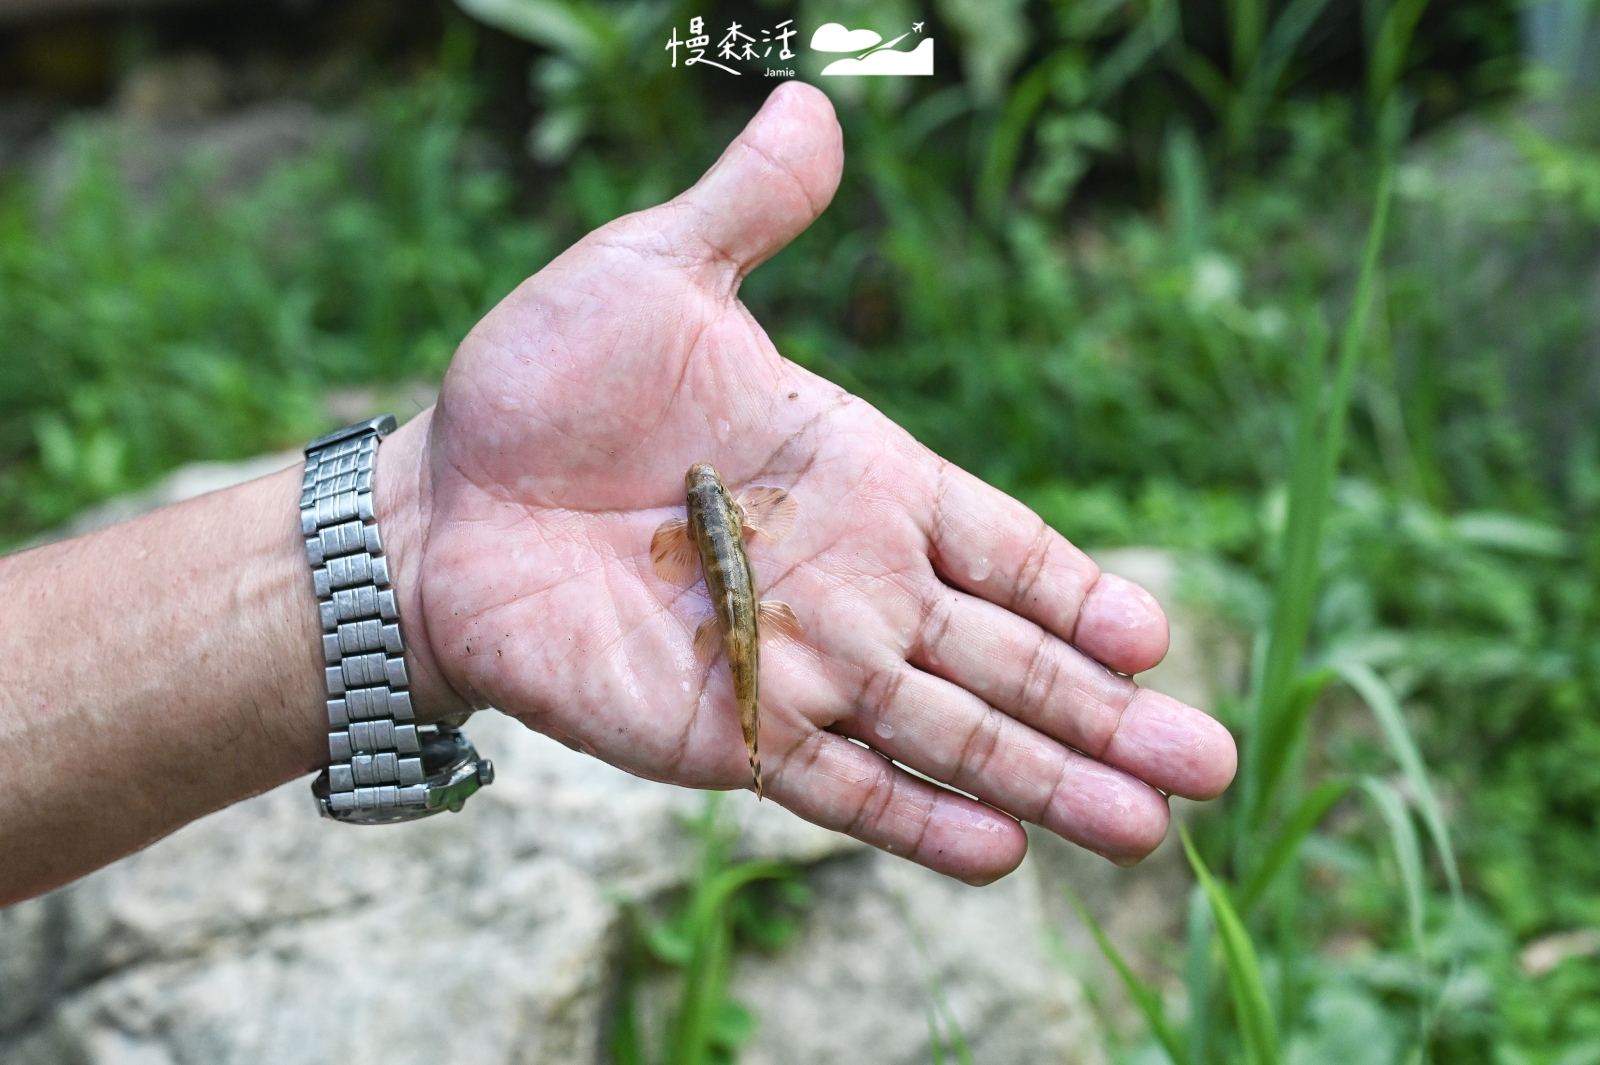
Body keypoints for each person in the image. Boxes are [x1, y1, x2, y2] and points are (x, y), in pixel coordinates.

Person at [0, 83, 1235, 908]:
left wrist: (409, 538)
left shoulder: (707, 534)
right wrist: (421, 539)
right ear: (716, 521)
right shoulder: (720, 529)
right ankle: (755, 722)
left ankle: (751, 719)